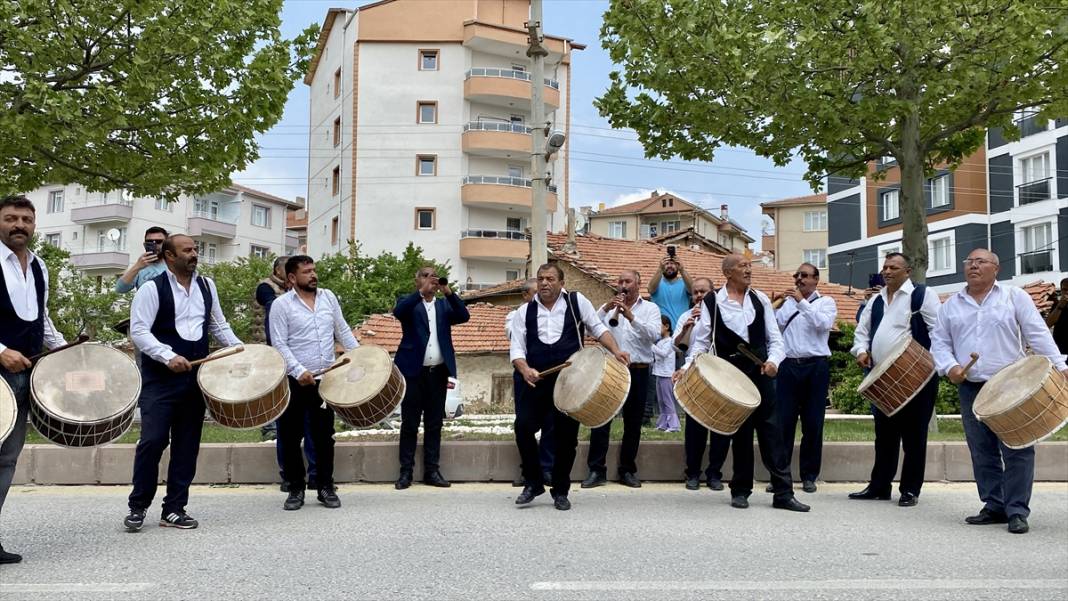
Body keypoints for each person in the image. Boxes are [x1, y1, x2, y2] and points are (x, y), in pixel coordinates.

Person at [931, 249, 1068, 535]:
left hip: (1013, 384)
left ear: (997, 268)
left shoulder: (1013, 297)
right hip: (972, 387)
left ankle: (1017, 510)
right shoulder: (950, 305)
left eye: (981, 262)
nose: (973, 266)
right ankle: (994, 505)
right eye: (969, 261)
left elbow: (1037, 333)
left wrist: (1060, 367)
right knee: (982, 450)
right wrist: (950, 367)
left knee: (1018, 448)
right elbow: (940, 343)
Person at [124, 234, 242, 531]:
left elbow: (218, 325)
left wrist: (241, 349)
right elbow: (139, 331)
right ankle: (138, 506)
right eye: (187, 250)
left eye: (195, 250)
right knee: (152, 442)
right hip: (160, 380)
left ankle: (174, 509)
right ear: (169, 256)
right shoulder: (151, 288)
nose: (194, 254)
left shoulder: (207, 285)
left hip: (196, 378)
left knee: (187, 446)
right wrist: (167, 355)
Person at [674, 254, 809, 512]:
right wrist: (685, 367)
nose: (749, 271)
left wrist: (774, 362)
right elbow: (700, 343)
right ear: (727, 273)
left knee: (773, 434)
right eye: (742, 267)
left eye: (749, 266)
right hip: (729, 376)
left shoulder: (760, 299)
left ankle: (783, 492)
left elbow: (776, 340)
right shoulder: (711, 302)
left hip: (760, 374)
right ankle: (740, 490)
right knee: (741, 435)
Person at [510, 263, 630, 510]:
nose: (545, 283)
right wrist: (525, 370)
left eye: (550, 279)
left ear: (561, 283)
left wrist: (616, 350)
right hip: (536, 380)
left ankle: (561, 490)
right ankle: (533, 482)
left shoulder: (577, 302)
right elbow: (517, 348)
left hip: (570, 379)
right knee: (523, 428)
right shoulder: (524, 311)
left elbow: (598, 328)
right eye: (541, 279)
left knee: (566, 439)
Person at [0, 195, 67, 564]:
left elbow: (42, 319)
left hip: (24, 377)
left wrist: (65, 350)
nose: (19, 225)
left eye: (26, 219)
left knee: (7, 460)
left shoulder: (40, 265)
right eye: (11, 218)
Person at [850, 252, 941, 507]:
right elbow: (862, 331)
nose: (887, 271)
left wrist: (932, 364)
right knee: (884, 435)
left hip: (918, 376)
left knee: (914, 436)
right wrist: (861, 351)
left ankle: (910, 489)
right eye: (885, 267)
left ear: (907, 271)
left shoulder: (921, 296)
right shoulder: (876, 300)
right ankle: (879, 486)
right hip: (882, 376)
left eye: (893, 267)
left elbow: (940, 331)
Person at [269, 256, 358, 511]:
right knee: (290, 435)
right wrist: (298, 370)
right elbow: (279, 343)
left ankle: (325, 487)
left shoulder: (329, 297)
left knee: (323, 437)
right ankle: (295, 489)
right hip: (294, 381)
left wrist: (361, 357)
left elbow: (342, 331)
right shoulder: (281, 305)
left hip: (325, 380)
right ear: (292, 278)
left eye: (314, 270)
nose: (313, 275)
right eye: (307, 272)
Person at [393, 267, 470, 490]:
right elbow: (399, 311)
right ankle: (405, 472)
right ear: (416, 280)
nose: (431, 280)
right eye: (425, 276)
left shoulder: (444, 305)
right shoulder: (409, 303)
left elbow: (464, 316)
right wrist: (420, 293)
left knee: (434, 423)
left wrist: (448, 291)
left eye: (434, 276)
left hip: (437, 372)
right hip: (412, 372)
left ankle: (432, 471)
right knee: (410, 423)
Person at [583, 270, 661, 489]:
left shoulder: (650, 309)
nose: (623, 285)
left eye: (627, 281)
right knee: (602, 420)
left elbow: (655, 335)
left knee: (633, 423)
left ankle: (627, 470)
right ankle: (596, 470)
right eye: (620, 281)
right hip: (612, 369)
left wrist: (631, 317)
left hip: (638, 369)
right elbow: (591, 329)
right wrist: (606, 309)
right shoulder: (608, 310)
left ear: (638, 284)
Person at [773, 263, 837, 494]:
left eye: (804, 276)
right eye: (796, 275)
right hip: (788, 366)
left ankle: (809, 476)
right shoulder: (786, 304)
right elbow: (774, 329)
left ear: (816, 280)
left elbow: (823, 324)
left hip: (816, 367)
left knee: (813, 423)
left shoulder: (826, 302)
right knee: (783, 424)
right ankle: (781, 476)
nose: (799, 279)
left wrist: (801, 301)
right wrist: (775, 305)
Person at [676, 277, 731, 491]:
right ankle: (692, 473)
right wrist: (687, 328)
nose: (699, 295)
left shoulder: (721, 314)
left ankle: (715, 474)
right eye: (695, 292)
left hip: (719, 374)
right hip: (694, 373)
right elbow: (677, 347)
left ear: (712, 293)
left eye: (703, 292)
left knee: (720, 426)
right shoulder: (685, 316)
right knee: (695, 428)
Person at [506, 279, 553, 487]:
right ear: (525, 295)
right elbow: (514, 338)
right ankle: (528, 470)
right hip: (524, 375)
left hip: (548, 375)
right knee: (524, 424)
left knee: (550, 425)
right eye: (535, 292)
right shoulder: (515, 315)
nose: (539, 296)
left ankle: (546, 469)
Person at [115, 226, 169, 293]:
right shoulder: (140, 266)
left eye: (158, 241)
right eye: (150, 241)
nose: (154, 244)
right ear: (145, 244)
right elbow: (120, 289)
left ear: (167, 244)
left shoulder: (174, 265)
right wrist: (137, 266)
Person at [652, 315, 680, 432]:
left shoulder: (670, 342)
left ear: (667, 326)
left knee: (668, 400)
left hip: (667, 375)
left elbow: (663, 354)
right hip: (659, 373)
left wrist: (650, 345)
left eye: (658, 325)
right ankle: (663, 424)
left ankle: (674, 425)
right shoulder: (660, 342)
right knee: (661, 400)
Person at [649, 255, 693, 329]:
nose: (669, 266)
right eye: (666, 263)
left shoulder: (684, 283)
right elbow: (650, 289)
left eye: (672, 263)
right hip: (661, 332)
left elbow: (692, 290)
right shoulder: (656, 283)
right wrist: (660, 269)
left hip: (681, 330)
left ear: (678, 266)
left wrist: (682, 270)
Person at [1043, 277, 1068, 355]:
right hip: (1061, 351)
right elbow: (1047, 324)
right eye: (1064, 290)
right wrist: (1060, 306)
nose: (1067, 292)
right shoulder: (1057, 305)